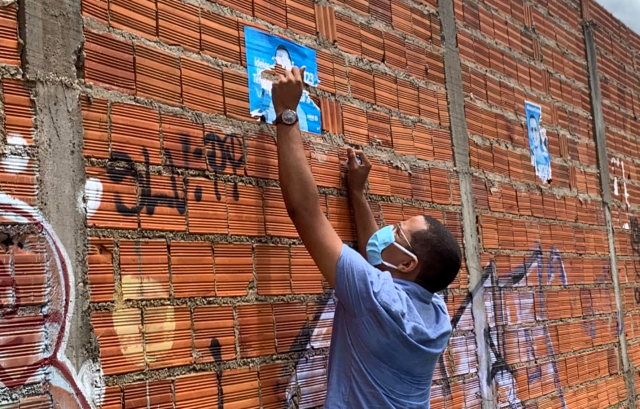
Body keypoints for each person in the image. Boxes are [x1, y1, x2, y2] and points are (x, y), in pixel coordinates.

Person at [272, 66, 462, 408]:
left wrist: (287, 114)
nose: (389, 230)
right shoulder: (436, 314)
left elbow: (305, 212)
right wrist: (357, 194)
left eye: (399, 231)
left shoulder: (376, 297)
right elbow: (380, 261)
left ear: (408, 262)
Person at [252, 45, 308, 131]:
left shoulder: (301, 114)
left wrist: (286, 109)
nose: (282, 65)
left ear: (291, 63)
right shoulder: (264, 95)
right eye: (278, 59)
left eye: (284, 59)